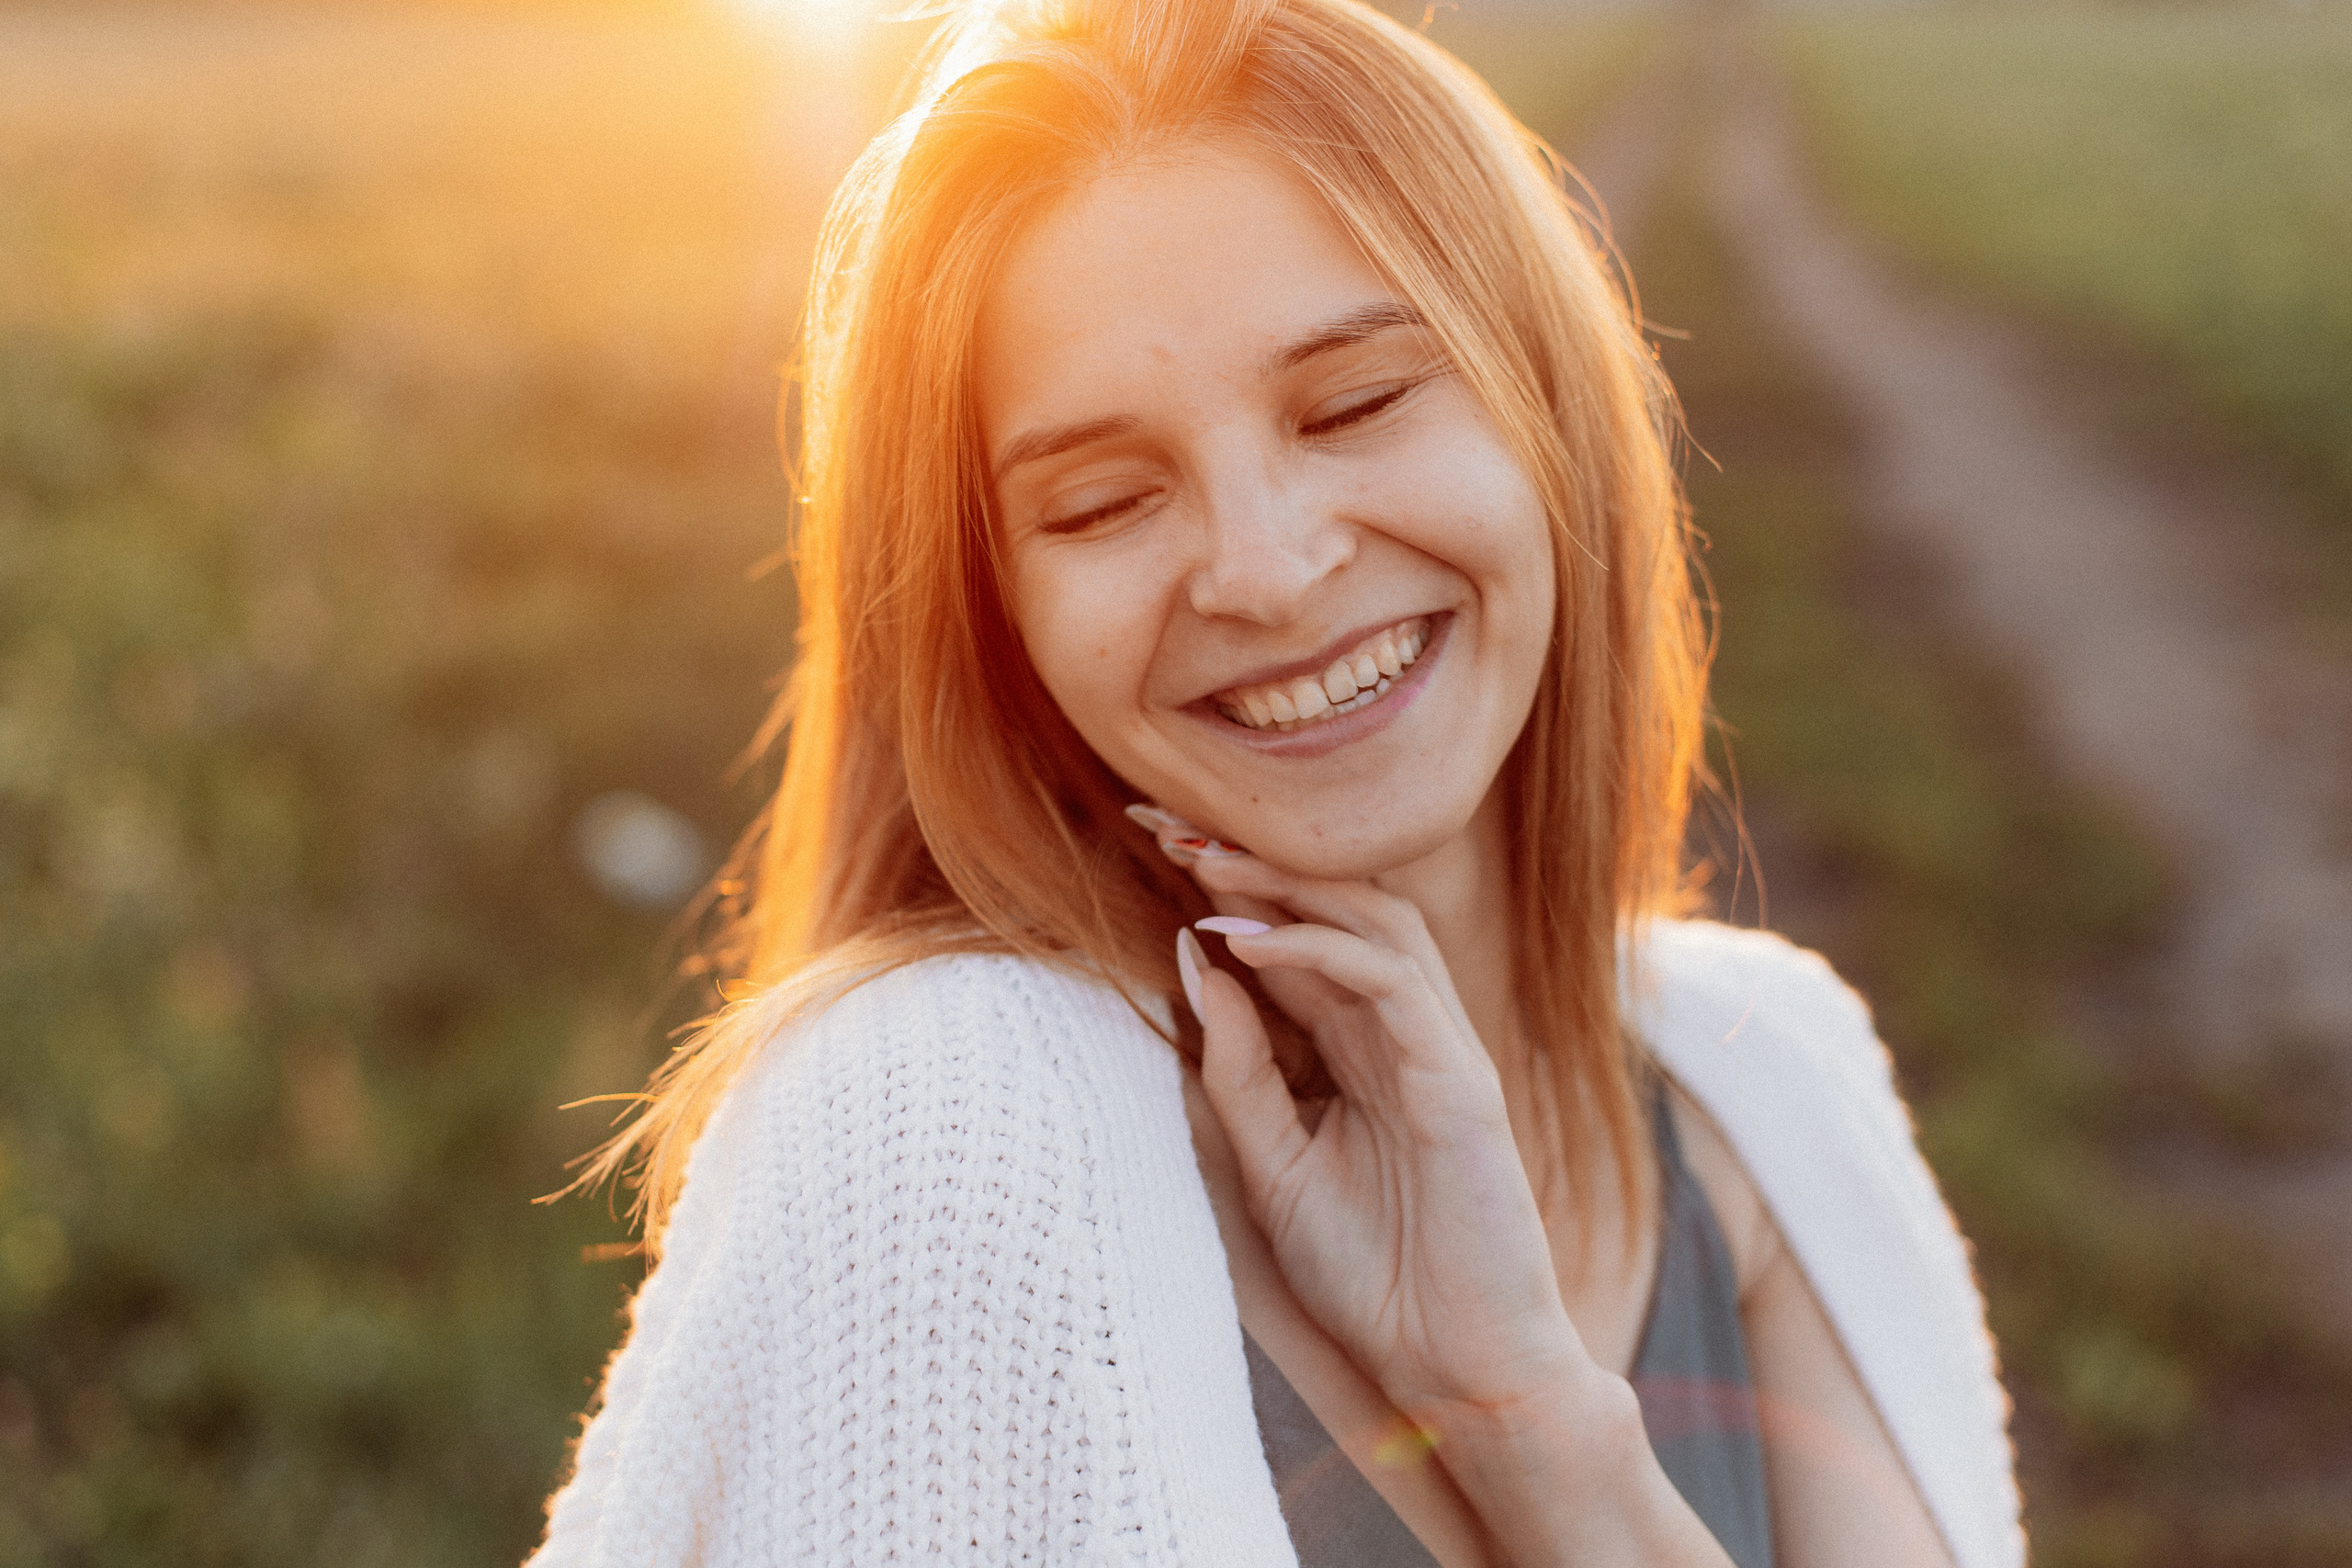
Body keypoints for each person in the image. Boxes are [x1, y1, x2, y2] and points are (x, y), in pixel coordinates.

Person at [529, 1, 2021, 1563]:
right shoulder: (940, 1124)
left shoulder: (1772, 1076)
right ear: (995, 618)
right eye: (1104, 500)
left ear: (1551, 413)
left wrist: (1534, 1428)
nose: (1266, 569)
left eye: (1357, 403)